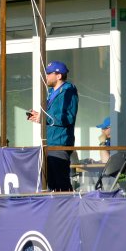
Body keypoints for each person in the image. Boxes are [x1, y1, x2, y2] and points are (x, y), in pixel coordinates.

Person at [28, 61, 79, 191]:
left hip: (59, 144)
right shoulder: (51, 92)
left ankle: (69, 209)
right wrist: (39, 116)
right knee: (51, 184)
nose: (46, 76)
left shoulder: (69, 91)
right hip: (49, 143)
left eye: (49, 73)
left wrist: (43, 118)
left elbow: (68, 118)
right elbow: (50, 116)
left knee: (61, 183)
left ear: (59, 76)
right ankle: (57, 210)